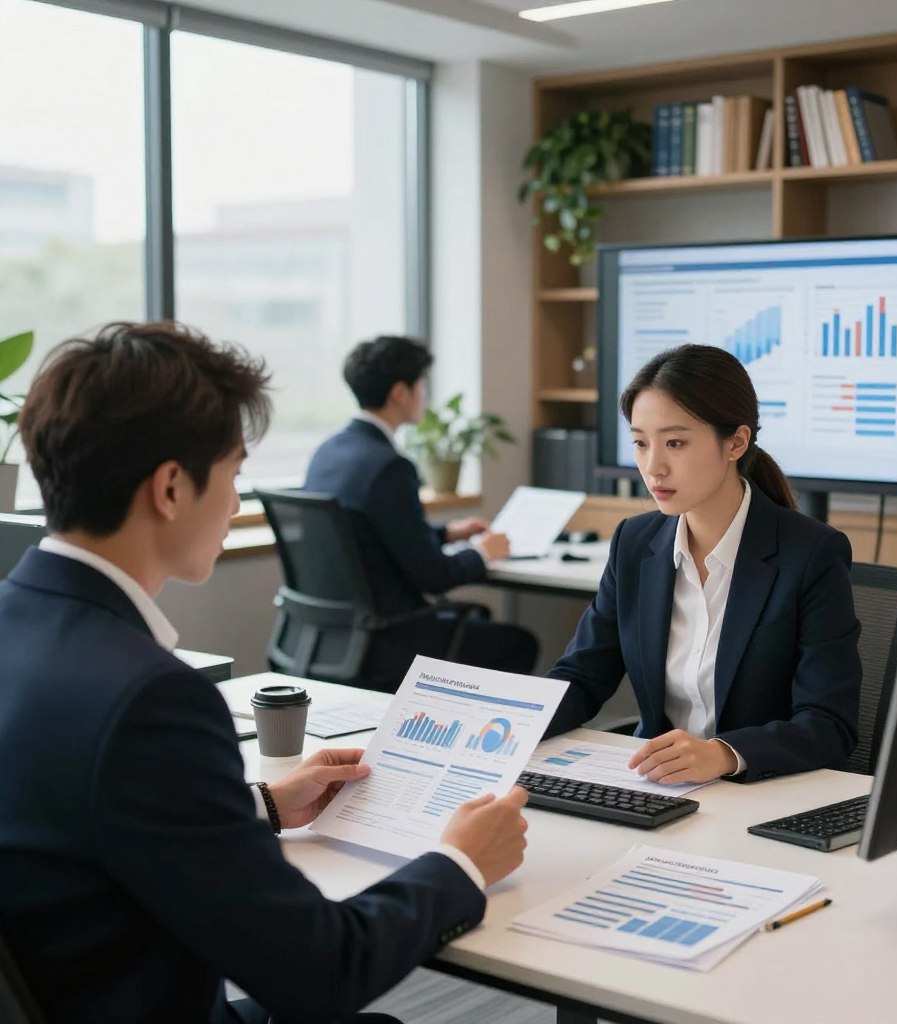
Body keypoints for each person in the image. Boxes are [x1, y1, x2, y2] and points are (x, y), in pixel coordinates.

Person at [0, 321, 529, 1024]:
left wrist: (265, 805)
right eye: (234, 474)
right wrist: (462, 862)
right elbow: (322, 971)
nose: (240, 504)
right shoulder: (153, 698)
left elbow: (70, 820)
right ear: (169, 488)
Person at [546, 344, 861, 784]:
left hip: (761, 792)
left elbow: (829, 724)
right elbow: (582, 677)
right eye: (640, 443)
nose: (653, 466)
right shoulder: (634, 544)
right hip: (658, 788)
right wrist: (506, 723)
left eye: (675, 442)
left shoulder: (810, 554)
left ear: (736, 442)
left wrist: (725, 754)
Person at [305, 334, 538, 687]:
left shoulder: (329, 452)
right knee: (519, 644)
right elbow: (432, 576)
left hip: (336, 638)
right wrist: (482, 554)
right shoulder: (388, 467)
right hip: (390, 640)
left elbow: (366, 538)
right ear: (400, 392)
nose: (425, 394)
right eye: (421, 385)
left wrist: (446, 533)